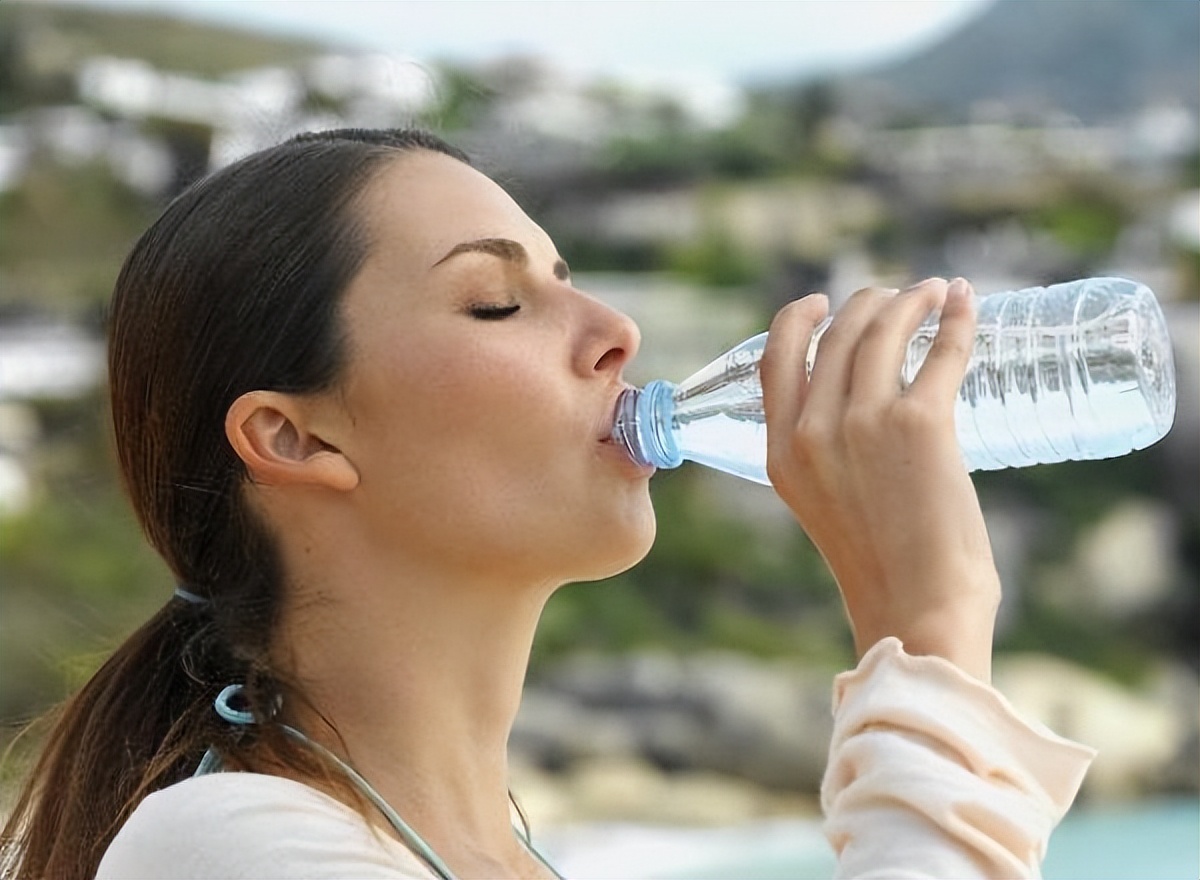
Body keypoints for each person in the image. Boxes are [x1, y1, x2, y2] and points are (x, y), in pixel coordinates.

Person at [0, 128, 1093, 880]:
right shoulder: (220, 845)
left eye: (571, 274)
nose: (614, 327)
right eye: (496, 300)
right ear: (297, 436)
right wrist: (930, 626)